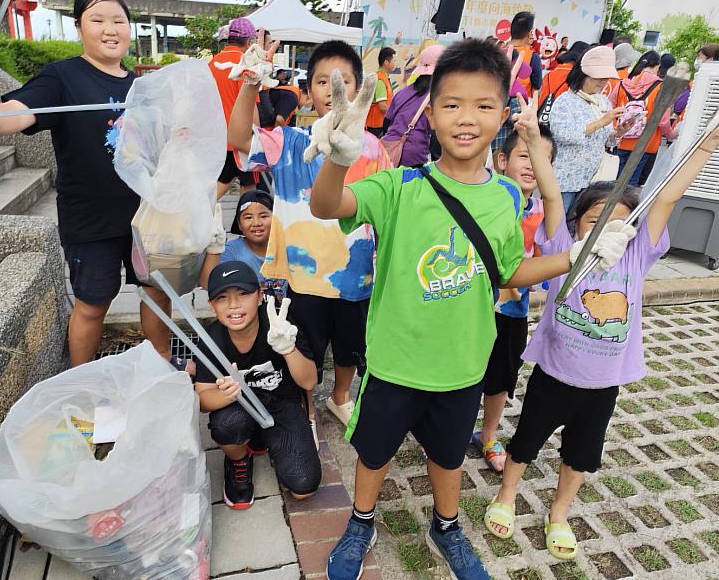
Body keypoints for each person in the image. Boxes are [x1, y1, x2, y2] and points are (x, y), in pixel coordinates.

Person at [308, 39, 636, 580]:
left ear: (503, 115)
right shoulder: (398, 185)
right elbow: (327, 206)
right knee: (373, 454)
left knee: (448, 456)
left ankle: (448, 524)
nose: (467, 118)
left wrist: (570, 258)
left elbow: (509, 274)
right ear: (430, 113)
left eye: (484, 105)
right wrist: (337, 163)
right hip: (392, 363)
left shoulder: (507, 196)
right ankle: (360, 520)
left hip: (462, 367)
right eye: (452, 104)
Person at [484, 114, 719, 562]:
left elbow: (668, 196)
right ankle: (507, 495)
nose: (606, 231)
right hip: (553, 373)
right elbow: (552, 193)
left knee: (580, 455)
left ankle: (559, 513)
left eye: (619, 224)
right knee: (525, 442)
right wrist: (533, 139)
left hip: (601, 386)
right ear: (575, 226)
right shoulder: (562, 250)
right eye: (595, 220)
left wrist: (708, 145)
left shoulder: (636, 256)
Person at [0, 0, 174, 367]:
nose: (110, 29)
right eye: (98, 19)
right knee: (92, 302)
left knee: (157, 292)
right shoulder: (63, 77)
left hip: (146, 216)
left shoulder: (142, 85)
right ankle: (78, 377)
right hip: (90, 219)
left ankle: (161, 364)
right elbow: (21, 111)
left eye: (119, 20)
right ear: (79, 27)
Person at [227, 38, 391, 441]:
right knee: (303, 347)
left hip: (356, 278)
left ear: (359, 90)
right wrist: (250, 83)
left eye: (344, 81)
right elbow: (239, 139)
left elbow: (386, 211)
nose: (333, 90)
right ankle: (307, 407)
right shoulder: (290, 142)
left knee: (351, 348)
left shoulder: (373, 149)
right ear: (307, 92)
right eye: (322, 81)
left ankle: (339, 397)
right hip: (301, 279)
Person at [194, 261, 321, 509]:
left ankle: (266, 439)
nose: (234, 305)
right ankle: (238, 459)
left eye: (243, 293)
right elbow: (203, 399)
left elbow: (309, 381)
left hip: (281, 403)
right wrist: (228, 395)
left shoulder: (279, 324)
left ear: (260, 295)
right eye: (222, 297)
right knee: (228, 425)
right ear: (212, 305)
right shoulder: (212, 339)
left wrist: (289, 349)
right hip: (239, 406)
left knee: (304, 487)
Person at [473, 127, 556, 473]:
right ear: (502, 160)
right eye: (525, 155)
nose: (532, 166)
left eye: (542, 160)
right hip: (471, 307)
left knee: (500, 377)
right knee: (465, 373)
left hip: (512, 311)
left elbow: (546, 260)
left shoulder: (540, 212)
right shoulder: (483, 200)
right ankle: (446, 430)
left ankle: (488, 435)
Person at [549, 46, 634, 213]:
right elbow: (563, 135)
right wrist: (601, 122)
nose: (603, 82)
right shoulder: (565, 101)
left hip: (592, 178)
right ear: (583, 74)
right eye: (599, 77)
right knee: (557, 224)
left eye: (606, 78)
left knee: (577, 224)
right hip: (565, 178)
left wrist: (619, 132)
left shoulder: (602, 101)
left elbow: (606, 139)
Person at [199, 189, 288, 300]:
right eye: (248, 217)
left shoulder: (289, 248)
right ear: (239, 224)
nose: (256, 223)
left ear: (276, 219)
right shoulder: (232, 251)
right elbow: (207, 284)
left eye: (264, 216)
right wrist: (214, 250)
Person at [610, 50, 677, 187]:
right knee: (630, 182)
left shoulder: (623, 83)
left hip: (621, 138)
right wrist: (670, 134)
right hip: (646, 141)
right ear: (657, 66)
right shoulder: (661, 87)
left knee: (614, 177)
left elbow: (609, 107)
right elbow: (663, 120)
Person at [210, 17, 259, 199]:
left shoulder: (212, 64)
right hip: (242, 140)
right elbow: (251, 105)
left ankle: (197, 216)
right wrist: (258, 138)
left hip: (219, 139)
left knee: (223, 182)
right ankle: (243, 225)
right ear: (248, 42)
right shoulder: (245, 65)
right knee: (250, 187)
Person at [381, 44, 444, 167]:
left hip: (388, 152)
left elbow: (387, 123)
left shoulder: (403, 92)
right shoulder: (438, 97)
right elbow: (437, 136)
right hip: (414, 157)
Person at [493, 12, 542, 151]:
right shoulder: (532, 57)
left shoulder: (497, 52)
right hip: (518, 111)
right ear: (528, 33)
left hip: (494, 105)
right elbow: (537, 86)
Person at [673, 43, 719, 117]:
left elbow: (678, 108)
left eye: (700, 57)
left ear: (711, 59)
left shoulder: (699, 82)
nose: (697, 60)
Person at [365, 47, 396, 137]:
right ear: (386, 62)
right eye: (394, 61)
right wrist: (396, 113)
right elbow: (382, 106)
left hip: (380, 124)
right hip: (377, 126)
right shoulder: (380, 80)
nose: (395, 64)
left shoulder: (383, 77)